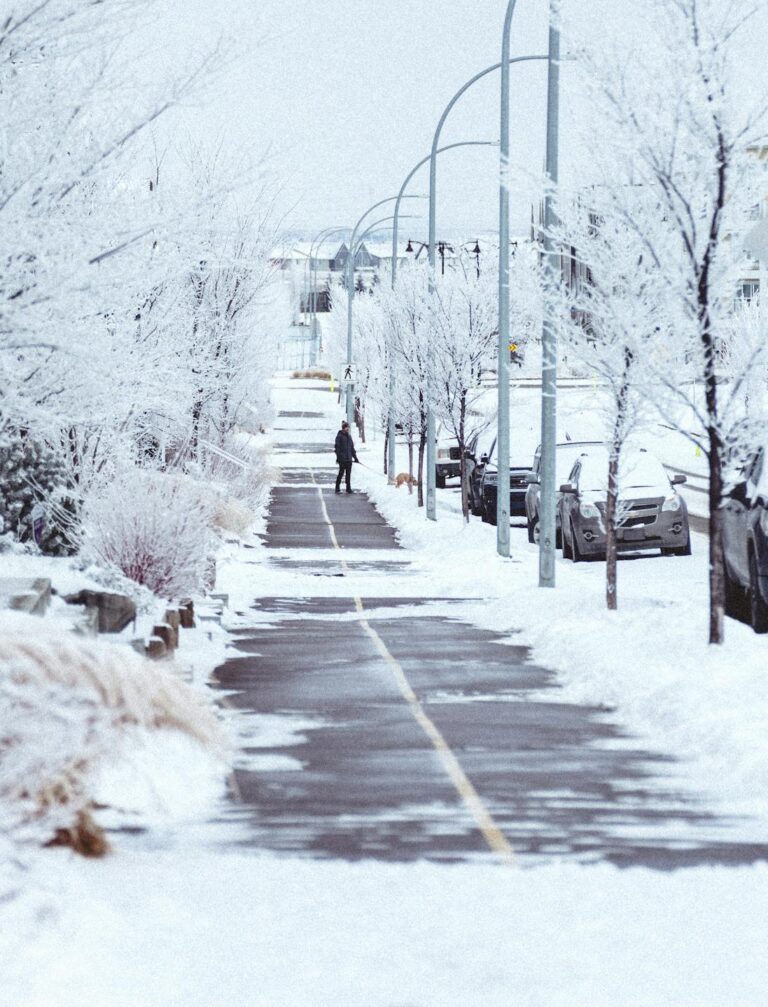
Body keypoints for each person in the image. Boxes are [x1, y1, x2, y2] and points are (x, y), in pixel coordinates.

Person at [334, 420, 359, 493]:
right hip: (342, 459)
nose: (347, 429)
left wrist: (355, 457)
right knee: (341, 473)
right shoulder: (339, 436)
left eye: (348, 427)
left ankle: (348, 488)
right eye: (346, 427)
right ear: (343, 428)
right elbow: (337, 448)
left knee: (348, 474)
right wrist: (338, 457)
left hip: (349, 459)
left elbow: (352, 448)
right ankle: (337, 487)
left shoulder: (349, 437)